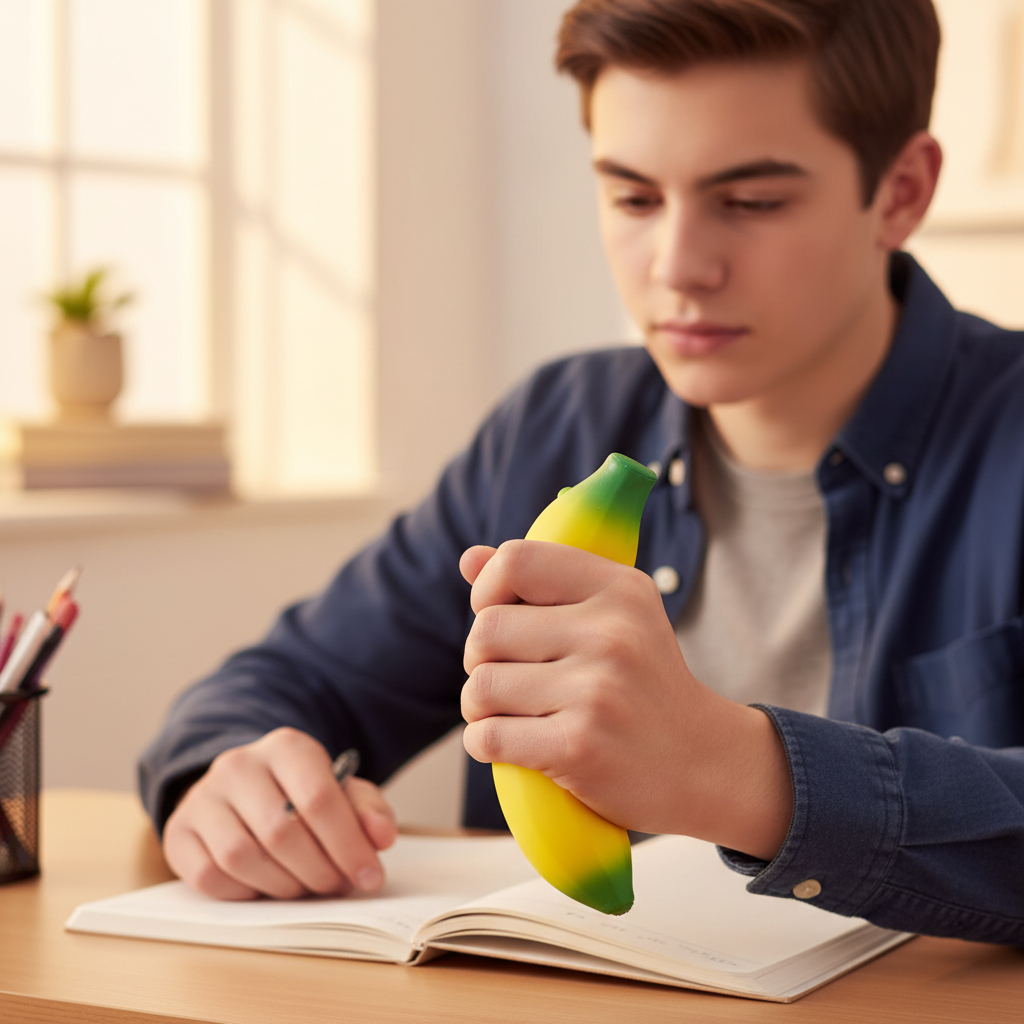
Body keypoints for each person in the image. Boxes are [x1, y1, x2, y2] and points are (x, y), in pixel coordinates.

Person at [139, 0, 1024, 944]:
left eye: (753, 201)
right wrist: (225, 775)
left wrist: (748, 773)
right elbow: (285, 681)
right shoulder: (551, 428)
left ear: (900, 192)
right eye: (634, 198)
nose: (678, 267)